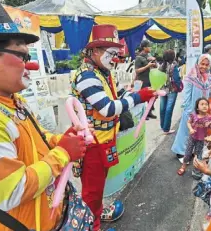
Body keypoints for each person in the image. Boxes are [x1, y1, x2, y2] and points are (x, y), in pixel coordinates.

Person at [0, 0, 88, 230]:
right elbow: (12, 191)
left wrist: (62, 139)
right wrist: (63, 153)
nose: (29, 65)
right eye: (22, 56)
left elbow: (37, 137)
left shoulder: (14, 101)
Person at [71, 24, 156, 231]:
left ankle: (96, 223)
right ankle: (92, 227)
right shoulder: (86, 76)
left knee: (98, 190)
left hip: (105, 141)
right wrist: (138, 98)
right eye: (111, 53)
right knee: (91, 194)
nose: (115, 58)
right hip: (92, 145)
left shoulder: (104, 73)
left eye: (117, 53)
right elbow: (108, 108)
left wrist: (142, 93)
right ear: (95, 51)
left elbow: (120, 96)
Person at [171, 54, 211, 162]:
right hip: (191, 109)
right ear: (198, 63)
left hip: (202, 110)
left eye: (207, 65)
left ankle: (192, 151)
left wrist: (207, 109)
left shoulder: (209, 77)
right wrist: (188, 110)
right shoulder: (191, 76)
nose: (204, 66)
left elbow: (208, 95)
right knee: (186, 130)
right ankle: (180, 152)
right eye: (202, 64)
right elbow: (187, 94)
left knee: (199, 132)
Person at [177, 98, 211, 175]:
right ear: (197, 107)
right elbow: (188, 122)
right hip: (192, 137)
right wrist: (190, 129)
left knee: (198, 154)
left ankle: (197, 169)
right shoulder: (194, 115)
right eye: (202, 104)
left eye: (206, 104)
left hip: (201, 139)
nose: (204, 106)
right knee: (187, 153)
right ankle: (183, 166)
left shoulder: (210, 117)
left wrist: (210, 125)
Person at [159, 49, 181, 135]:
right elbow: (176, 79)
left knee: (162, 108)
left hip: (162, 89)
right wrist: (179, 86)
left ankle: (163, 126)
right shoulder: (174, 66)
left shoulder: (161, 66)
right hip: (172, 90)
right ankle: (166, 129)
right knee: (169, 109)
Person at [135, 40, 157, 119]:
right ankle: (143, 114)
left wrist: (154, 61)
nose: (150, 48)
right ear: (144, 48)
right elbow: (137, 70)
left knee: (151, 97)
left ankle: (149, 112)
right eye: (149, 46)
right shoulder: (139, 57)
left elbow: (155, 66)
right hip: (142, 81)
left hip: (150, 80)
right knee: (143, 98)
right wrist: (147, 66)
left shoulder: (148, 56)